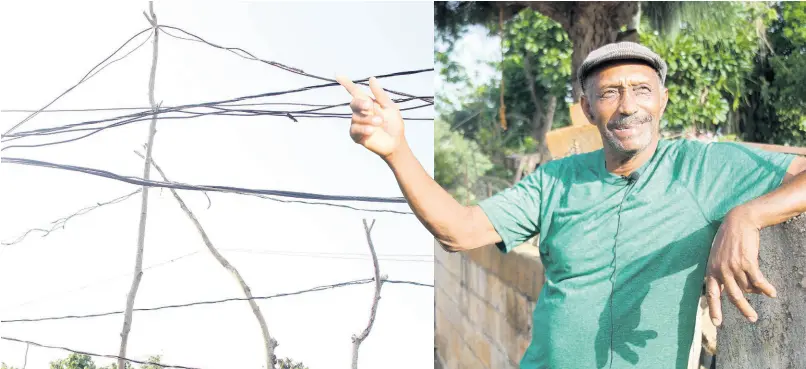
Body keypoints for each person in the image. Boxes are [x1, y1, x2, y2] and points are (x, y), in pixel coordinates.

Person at [335, 41, 806, 369]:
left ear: (662, 100)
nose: (627, 106)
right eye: (609, 92)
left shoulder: (702, 168)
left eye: (641, 90)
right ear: (586, 108)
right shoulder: (556, 180)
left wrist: (749, 214)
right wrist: (396, 150)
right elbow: (458, 231)